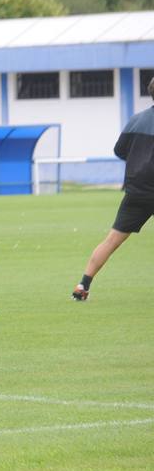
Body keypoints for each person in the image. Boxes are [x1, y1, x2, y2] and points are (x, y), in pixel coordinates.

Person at [74, 73, 154, 301]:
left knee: (111, 241)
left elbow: (119, 151)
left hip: (136, 191)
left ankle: (82, 285)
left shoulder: (136, 119)